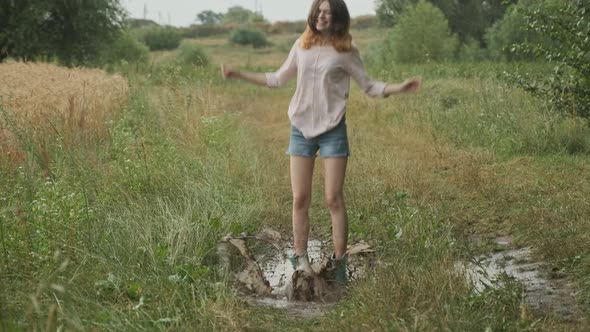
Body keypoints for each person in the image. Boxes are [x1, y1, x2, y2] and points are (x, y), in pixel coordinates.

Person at [221, 0, 421, 285]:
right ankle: (299, 259)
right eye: (318, 10)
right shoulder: (301, 45)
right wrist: (239, 73)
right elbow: (277, 78)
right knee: (300, 198)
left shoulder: (346, 52)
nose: (321, 15)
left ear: (337, 17)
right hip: (300, 129)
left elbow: (369, 86)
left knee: (333, 198)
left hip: (332, 130)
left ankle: (339, 264)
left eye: (328, 11)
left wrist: (398, 88)